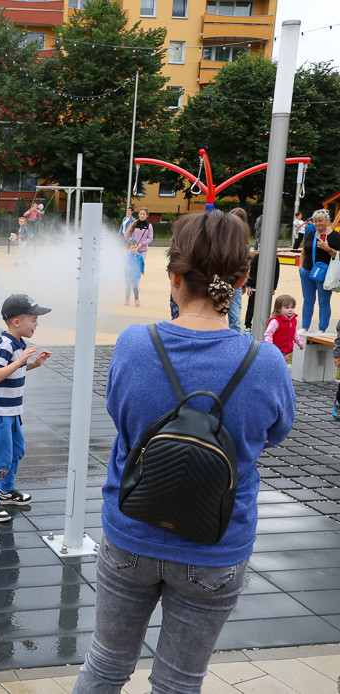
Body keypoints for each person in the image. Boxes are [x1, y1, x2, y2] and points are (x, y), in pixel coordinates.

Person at [71, 209, 294, 694]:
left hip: (131, 533)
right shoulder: (266, 363)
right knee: (178, 682)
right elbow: (274, 434)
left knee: (105, 667)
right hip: (216, 547)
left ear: (174, 277)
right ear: (240, 280)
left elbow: (122, 418)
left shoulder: (134, 344)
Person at [0, 294, 52, 523]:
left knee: (17, 451)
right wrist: (20, 362)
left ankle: (6, 490)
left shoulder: (18, 343)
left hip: (12, 411)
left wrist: (32, 365)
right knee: (2, 457)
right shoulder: (5, 345)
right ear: (16, 322)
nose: (37, 324)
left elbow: (14, 371)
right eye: (33, 320)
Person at [298, 209, 340, 335]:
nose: (317, 224)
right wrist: (301, 268)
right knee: (308, 300)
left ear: (327, 221)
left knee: (323, 301)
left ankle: (322, 328)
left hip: (324, 273)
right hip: (307, 271)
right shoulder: (311, 233)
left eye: (320, 221)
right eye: (315, 221)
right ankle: (305, 327)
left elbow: (338, 255)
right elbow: (303, 251)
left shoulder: (334, 236)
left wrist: (328, 249)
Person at [243, 247, 281, 331]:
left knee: (265, 306)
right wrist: (249, 286)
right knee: (251, 307)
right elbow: (251, 272)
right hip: (255, 286)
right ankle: (248, 325)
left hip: (267, 287)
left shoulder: (275, 259)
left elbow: (276, 274)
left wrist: (274, 287)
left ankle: (264, 324)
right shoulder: (256, 258)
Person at [226, 208, 251, 332]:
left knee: (235, 319)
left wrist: (244, 284)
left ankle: (234, 343)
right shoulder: (223, 239)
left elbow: (245, 265)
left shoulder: (243, 244)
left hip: (235, 284)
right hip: (221, 282)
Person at [264, 294, 304, 359]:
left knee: (283, 364)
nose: (290, 310)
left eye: (292, 307)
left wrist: (299, 342)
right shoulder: (276, 321)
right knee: (275, 364)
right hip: (276, 349)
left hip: (286, 349)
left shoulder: (293, 320)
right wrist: (270, 346)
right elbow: (268, 333)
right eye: (287, 307)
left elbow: (294, 332)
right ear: (279, 309)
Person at [124, 238, 144, 306]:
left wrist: (142, 270)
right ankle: (127, 299)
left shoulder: (140, 256)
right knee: (128, 287)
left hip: (136, 275)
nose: (134, 249)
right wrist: (127, 267)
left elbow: (142, 264)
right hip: (128, 275)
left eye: (135, 247)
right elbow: (123, 264)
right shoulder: (127, 256)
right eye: (132, 248)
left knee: (135, 287)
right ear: (129, 248)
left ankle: (136, 299)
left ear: (137, 248)